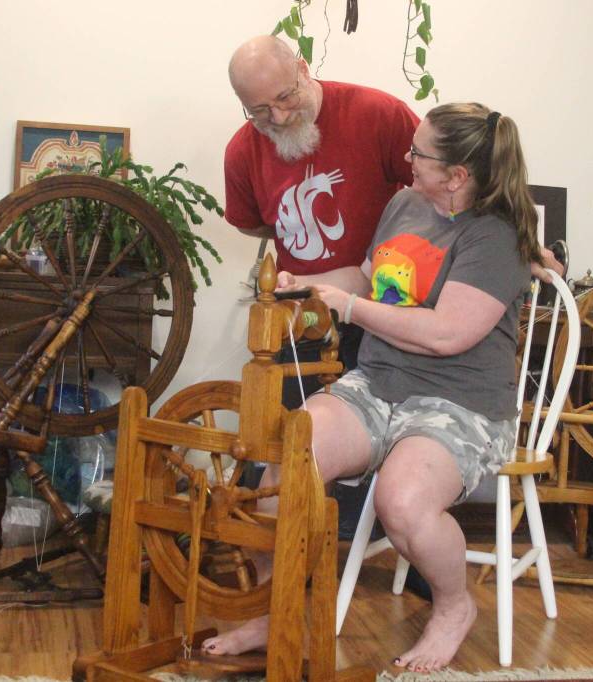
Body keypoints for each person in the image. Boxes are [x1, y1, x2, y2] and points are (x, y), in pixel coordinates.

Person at [204, 102, 544, 674]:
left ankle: (454, 607)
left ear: (457, 175)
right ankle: (270, 612)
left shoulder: (497, 236)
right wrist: (307, 283)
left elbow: (445, 335)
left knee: (403, 502)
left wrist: (352, 310)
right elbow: (366, 276)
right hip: (379, 383)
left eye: (420, 153)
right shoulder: (406, 202)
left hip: (460, 402)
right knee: (283, 465)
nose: (407, 158)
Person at [225, 35, 421, 398]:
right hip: (306, 316)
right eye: (261, 111)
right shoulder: (241, 152)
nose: (279, 117)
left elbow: (441, 188)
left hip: (385, 309)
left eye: (285, 97)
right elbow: (250, 222)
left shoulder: (378, 114)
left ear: (303, 69)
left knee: (381, 431)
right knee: (295, 431)